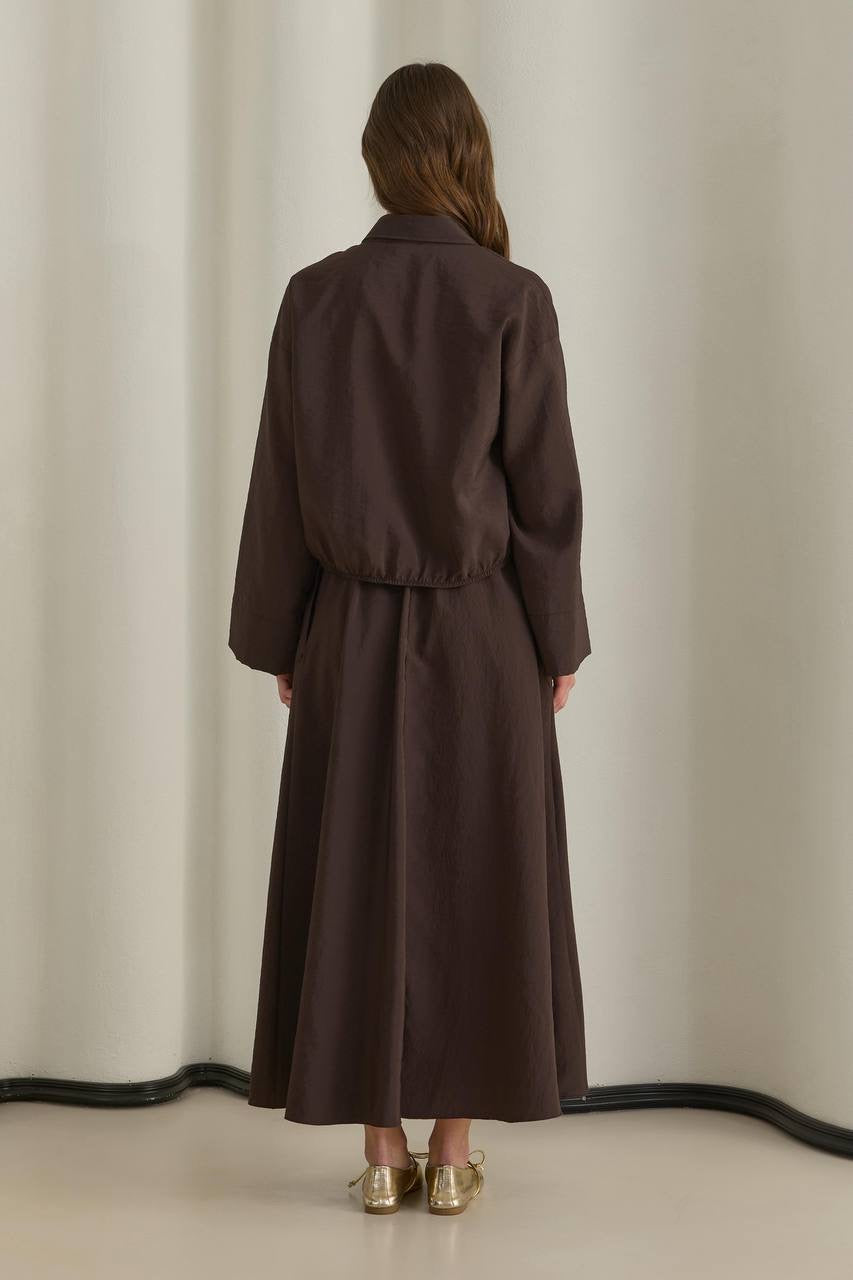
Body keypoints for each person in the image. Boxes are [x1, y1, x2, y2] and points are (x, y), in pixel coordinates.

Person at [228, 61, 591, 1217]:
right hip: (483, 634)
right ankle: (450, 1148)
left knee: (356, 872)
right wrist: (558, 639)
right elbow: (544, 496)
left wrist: (282, 631)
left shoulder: (315, 297)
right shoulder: (511, 298)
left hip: (348, 626)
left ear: (379, 163)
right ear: (468, 156)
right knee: (477, 874)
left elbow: (282, 486)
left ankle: (380, 1152)